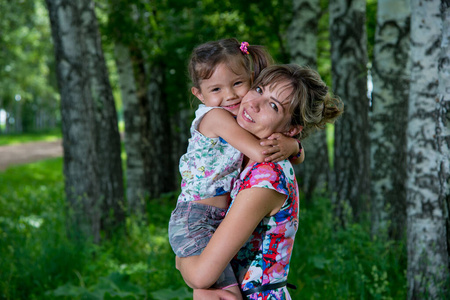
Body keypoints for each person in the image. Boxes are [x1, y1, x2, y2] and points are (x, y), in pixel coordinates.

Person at [176, 64, 344, 299]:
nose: (253, 103)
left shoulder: (266, 178)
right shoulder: (240, 153)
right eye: (258, 89)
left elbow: (201, 274)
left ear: (291, 129)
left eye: (273, 105)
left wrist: (181, 257)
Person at [168, 40, 304, 300]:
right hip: (196, 217)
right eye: (216, 89)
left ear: (250, 79)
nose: (229, 95)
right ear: (199, 94)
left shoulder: (266, 171)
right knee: (218, 292)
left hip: (212, 218)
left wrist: (292, 145)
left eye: (238, 84)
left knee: (215, 291)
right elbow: (263, 152)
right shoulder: (216, 118)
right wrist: (292, 145)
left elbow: (270, 154)